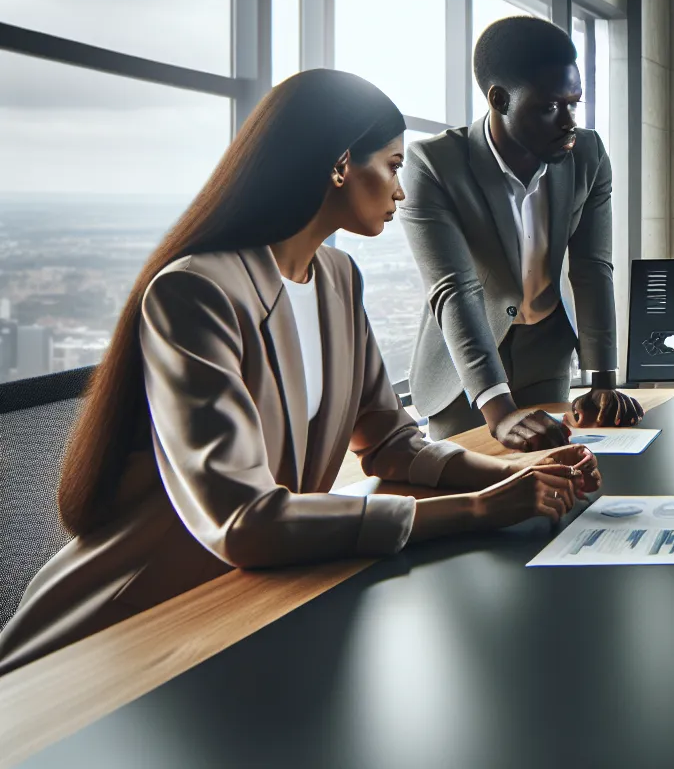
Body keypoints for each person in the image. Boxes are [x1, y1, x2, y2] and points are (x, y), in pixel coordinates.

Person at [0, 71, 600, 675]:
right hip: (131, 631)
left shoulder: (337, 277)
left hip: (254, 607)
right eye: (391, 166)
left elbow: (391, 444)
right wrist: (478, 509)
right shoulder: (195, 293)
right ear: (340, 164)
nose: (400, 190)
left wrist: (514, 472)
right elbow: (244, 521)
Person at [401, 16, 641, 450]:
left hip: (545, 353)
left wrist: (602, 380)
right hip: (465, 372)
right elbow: (455, 289)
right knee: (471, 496)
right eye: (550, 107)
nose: (569, 121)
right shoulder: (433, 165)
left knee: (554, 486)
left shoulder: (587, 154)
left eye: (574, 103)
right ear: (500, 99)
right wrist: (500, 411)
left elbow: (592, 268)